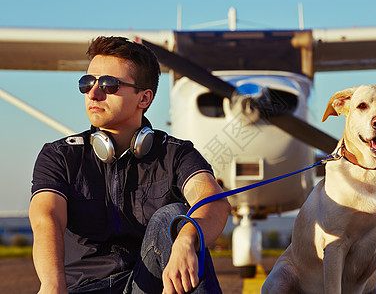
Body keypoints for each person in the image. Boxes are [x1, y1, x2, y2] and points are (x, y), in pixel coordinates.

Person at [29, 36, 231, 294]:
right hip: (82, 288)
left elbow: (214, 202)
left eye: (109, 84)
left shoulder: (176, 153)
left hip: (147, 286)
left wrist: (187, 238)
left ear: (144, 98)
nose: (93, 93)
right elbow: (47, 217)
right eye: (87, 83)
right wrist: (52, 285)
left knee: (173, 218)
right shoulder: (59, 155)